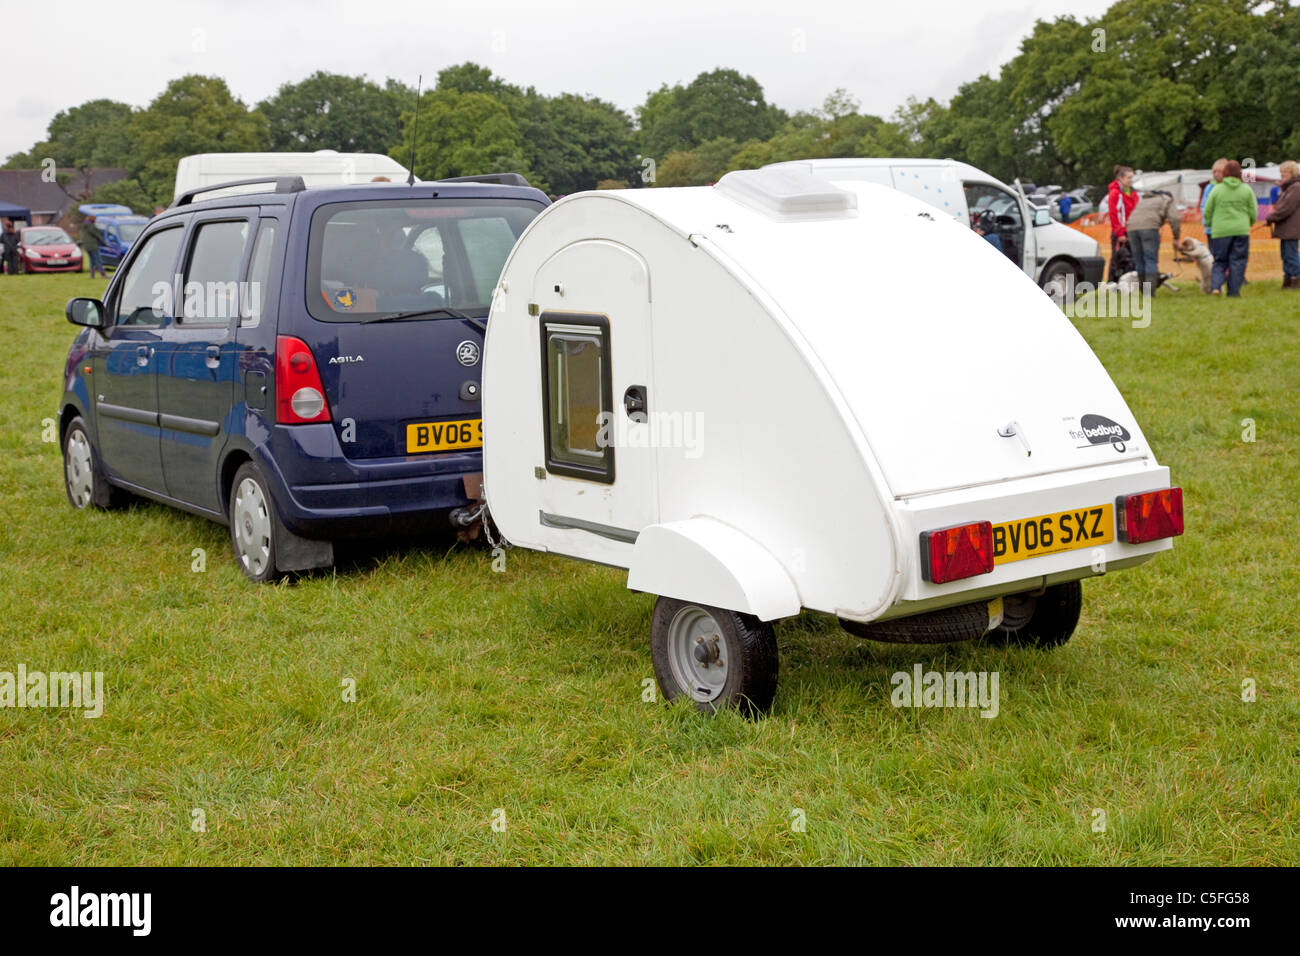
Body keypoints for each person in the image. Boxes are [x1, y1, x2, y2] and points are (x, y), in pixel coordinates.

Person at [1202, 160, 1258, 297]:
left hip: (1220, 231)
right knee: (1238, 261)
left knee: (1220, 260)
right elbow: (1253, 210)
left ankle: (1215, 286)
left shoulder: (1217, 189)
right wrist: (1249, 222)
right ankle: (1233, 292)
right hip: (1241, 230)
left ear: (1225, 172)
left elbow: (1207, 210)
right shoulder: (1246, 189)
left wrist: (1210, 224)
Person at [1126, 189, 1180, 296]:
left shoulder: (1144, 200)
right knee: (1150, 260)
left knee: (1139, 261)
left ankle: (1143, 290)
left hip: (1131, 228)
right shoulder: (1168, 200)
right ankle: (1149, 293)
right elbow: (1175, 218)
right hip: (1149, 229)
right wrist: (1176, 237)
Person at [1265, 160, 1300, 289]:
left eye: (1285, 172)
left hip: (1292, 228)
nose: (1282, 175)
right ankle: (1288, 279)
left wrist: (1271, 217)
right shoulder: (1288, 187)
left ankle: (1296, 280)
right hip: (1286, 228)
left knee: (1291, 255)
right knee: (1285, 255)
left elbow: (1286, 208)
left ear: (1292, 173)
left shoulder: (1296, 187)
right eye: (1281, 172)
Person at [1106, 165, 1139, 282]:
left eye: (1132, 177)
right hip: (1120, 233)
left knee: (1132, 258)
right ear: (1120, 178)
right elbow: (1114, 214)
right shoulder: (1115, 193)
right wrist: (1120, 233)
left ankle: (1129, 283)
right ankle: (1112, 283)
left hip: (1132, 231)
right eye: (1128, 178)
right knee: (1117, 259)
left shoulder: (1133, 192)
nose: (1131, 180)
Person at [1200, 158, 1227, 239]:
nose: (1216, 174)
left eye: (1219, 171)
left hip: (1227, 229)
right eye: (1214, 172)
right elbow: (1203, 207)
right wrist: (1207, 223)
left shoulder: (1230, 188)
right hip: (1211, 230)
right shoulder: (1209, 188)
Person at [81, 214, 107, 278]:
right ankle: (103, 275)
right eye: (95, 219)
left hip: (87, 246)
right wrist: (105, 243)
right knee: (98, 260)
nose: (96, 221)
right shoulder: (91, 226)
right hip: (93, 245)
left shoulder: (84, 226)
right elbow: (97, 235)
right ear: (93, 219)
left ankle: (92, 276)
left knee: (92, 261)